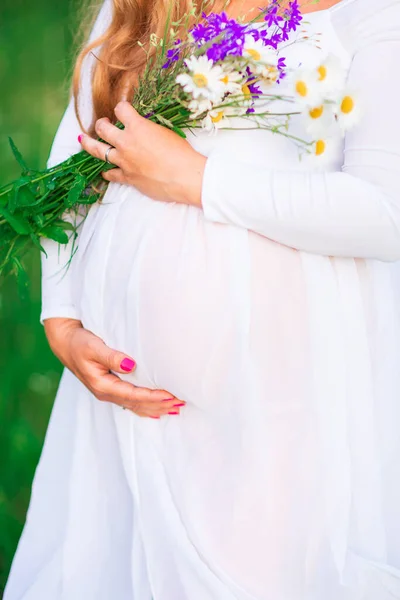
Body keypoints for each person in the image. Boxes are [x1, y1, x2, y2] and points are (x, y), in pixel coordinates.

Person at [4, 0, 400, 598]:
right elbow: (81, 148)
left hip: (279, 401)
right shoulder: (147, 5)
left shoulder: (371, 16)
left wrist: (198, 179)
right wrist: (61, 313)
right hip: (122, 411)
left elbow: (385, 214)